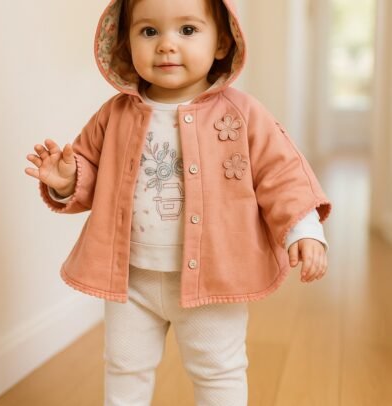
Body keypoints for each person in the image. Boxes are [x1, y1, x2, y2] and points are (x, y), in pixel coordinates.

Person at [25, 0, 332, 404]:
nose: (166, 45)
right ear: (125, 42)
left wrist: (304, 228)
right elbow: (91, 171)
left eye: (187, 30)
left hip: (214, 278)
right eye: (149, 31)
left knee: (218, 370)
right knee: (123, 366)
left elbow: (282, 173)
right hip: (131, 277)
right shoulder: (114, 115)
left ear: (222, 43)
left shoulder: (242, 114)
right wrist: (67, 180)